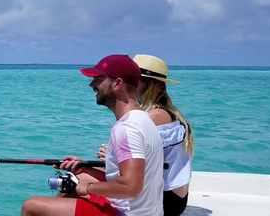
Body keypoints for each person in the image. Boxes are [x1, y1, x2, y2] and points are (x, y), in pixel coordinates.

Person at [21, 54, 164, 216]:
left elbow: (130, 186)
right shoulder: (143, 118)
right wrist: (85, 167)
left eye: (98, 79)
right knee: (80, 176)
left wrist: (85, 188)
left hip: (126, 213)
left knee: (31, 206)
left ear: (117, 83)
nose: (91, 84)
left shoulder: (126, 128)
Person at [133, 54, 192, 216]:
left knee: (82, 180)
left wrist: (110, 156)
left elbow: (134, 163)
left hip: (164, 201)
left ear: (150, 84)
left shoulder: (155, 116)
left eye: (132, 79)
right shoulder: (166, 112)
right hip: (172, 197)